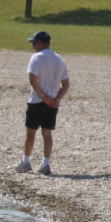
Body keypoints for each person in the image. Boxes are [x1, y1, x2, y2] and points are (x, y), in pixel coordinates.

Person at [16, 30, 70, 176]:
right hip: (52, 103)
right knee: (47, 133)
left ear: (40, 43)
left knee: (31, 133)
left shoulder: (36, 57)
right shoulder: (59, 59)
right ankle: (46, 164)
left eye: (34, 43)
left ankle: (26, 161)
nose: (33, 46)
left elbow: (33, 80)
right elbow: (66, 84)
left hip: (36, 101)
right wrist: (57, 99)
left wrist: (42, 96)